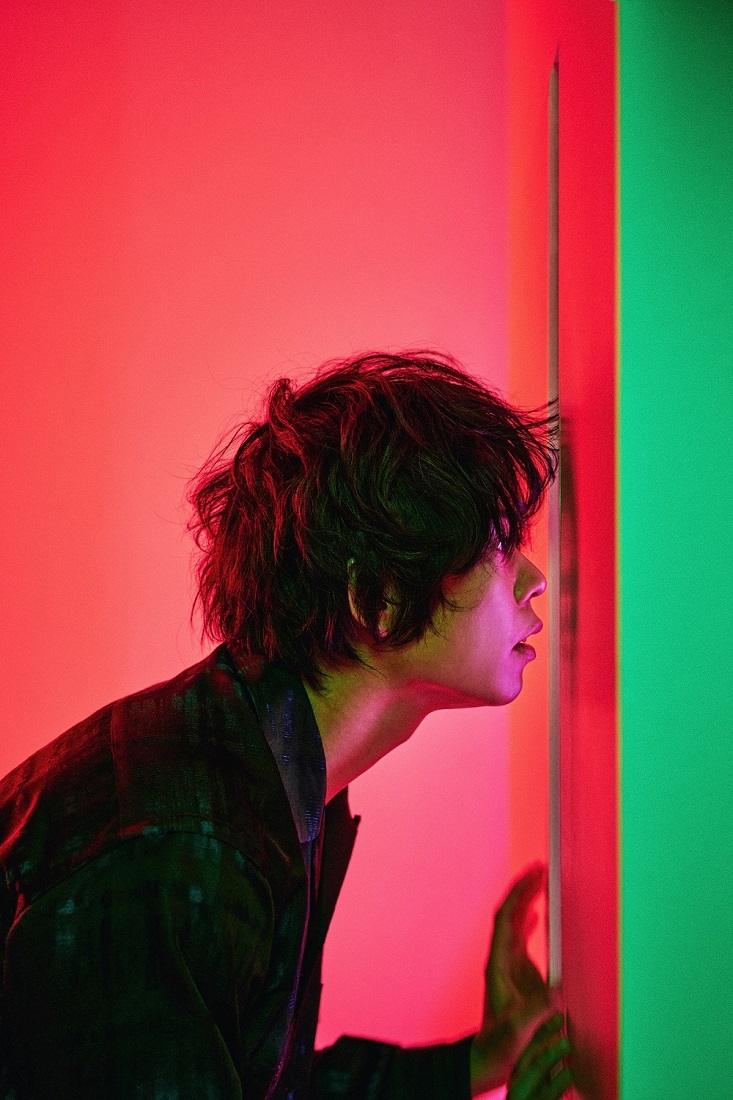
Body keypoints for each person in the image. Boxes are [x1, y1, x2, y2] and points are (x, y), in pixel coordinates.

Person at [0, 351, 573, 1098]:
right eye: (496, 544)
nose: (534, 580)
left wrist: (473, 1064)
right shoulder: (179, 847)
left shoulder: (259, 777)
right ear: (378, 600)